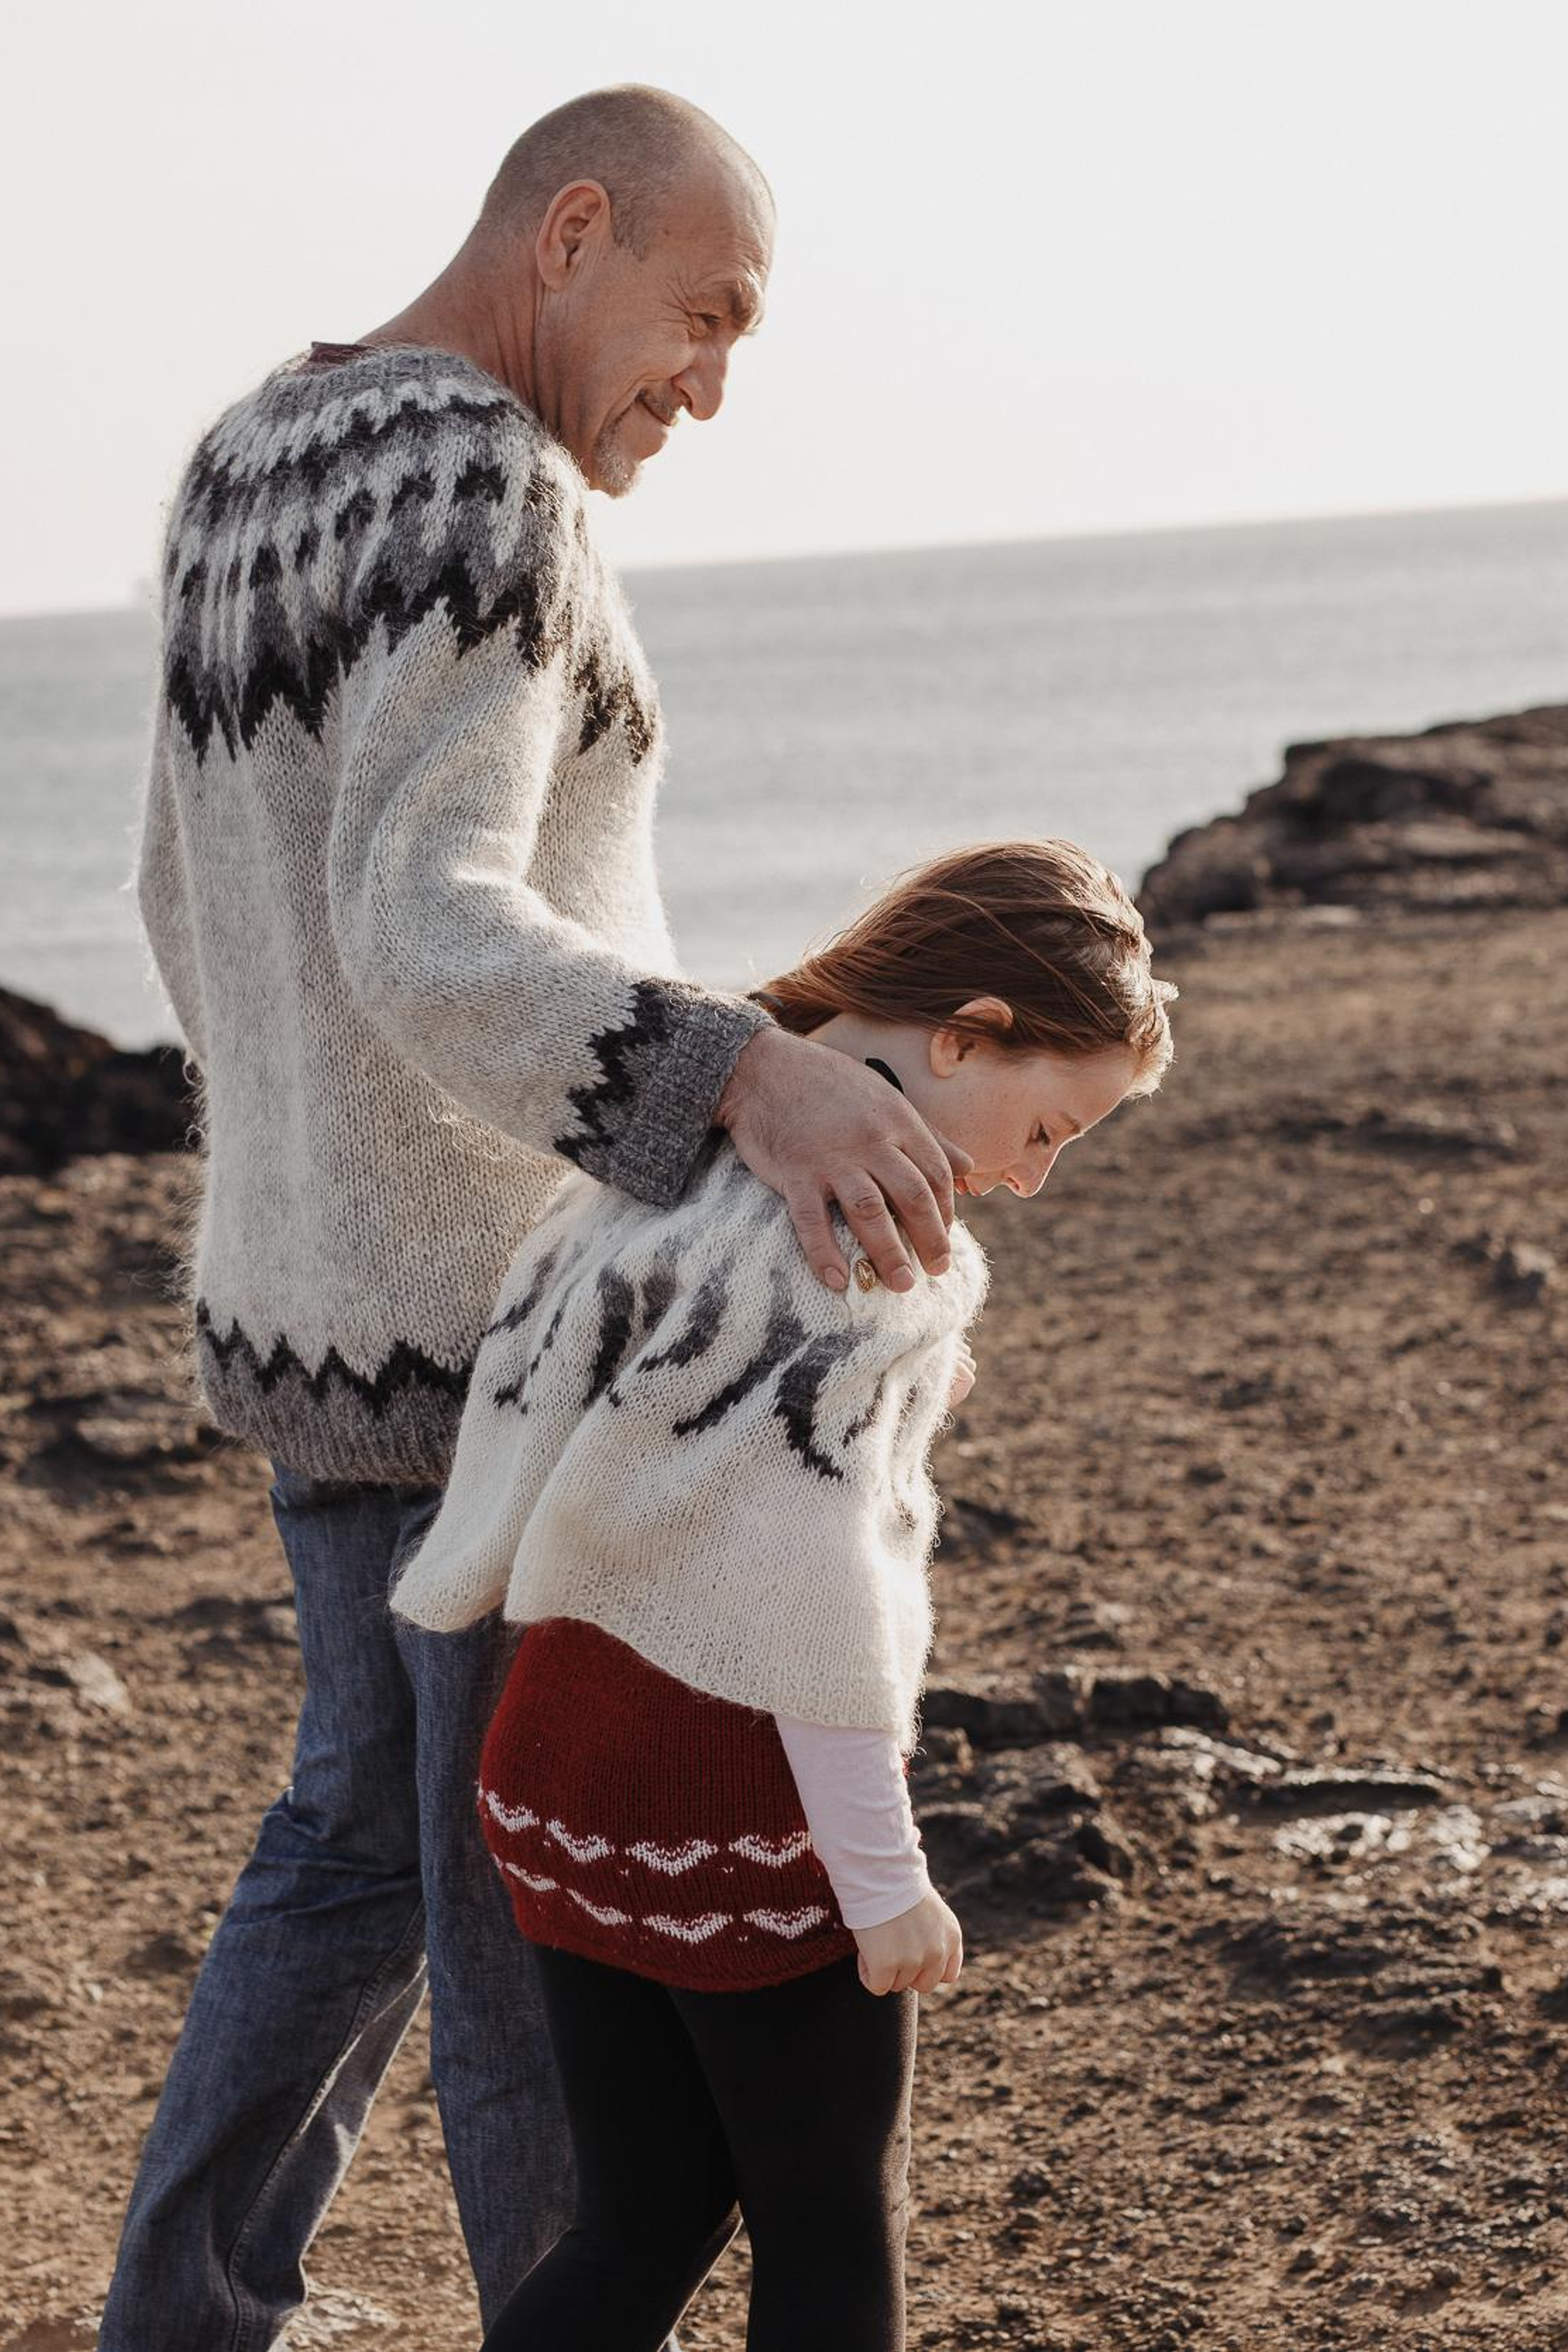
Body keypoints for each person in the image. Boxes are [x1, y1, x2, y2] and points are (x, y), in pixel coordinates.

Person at [107, 84, 975, 2352]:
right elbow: (429, 920)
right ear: (569, 233)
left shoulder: (240, 463)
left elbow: (177, 897)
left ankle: (185, 2312)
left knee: (356, 1842)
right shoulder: (488, 489)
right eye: (705, 316)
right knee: (522, 1919)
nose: (713, 380)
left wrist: (303, 1181)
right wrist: (746, 1076)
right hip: (497, 1352)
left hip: (308, 1315)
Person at [391, 839, 1177, 2351]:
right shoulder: (863, 1236)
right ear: (963, 1034)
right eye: (1044, 1124)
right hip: (729, 1794)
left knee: (636, 2228)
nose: (1027, 1175)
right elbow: (809, 1592)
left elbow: (548, 1430)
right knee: (827, 2240)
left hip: (553, 1764)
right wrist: (882, 1886)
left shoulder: (667, 1157)